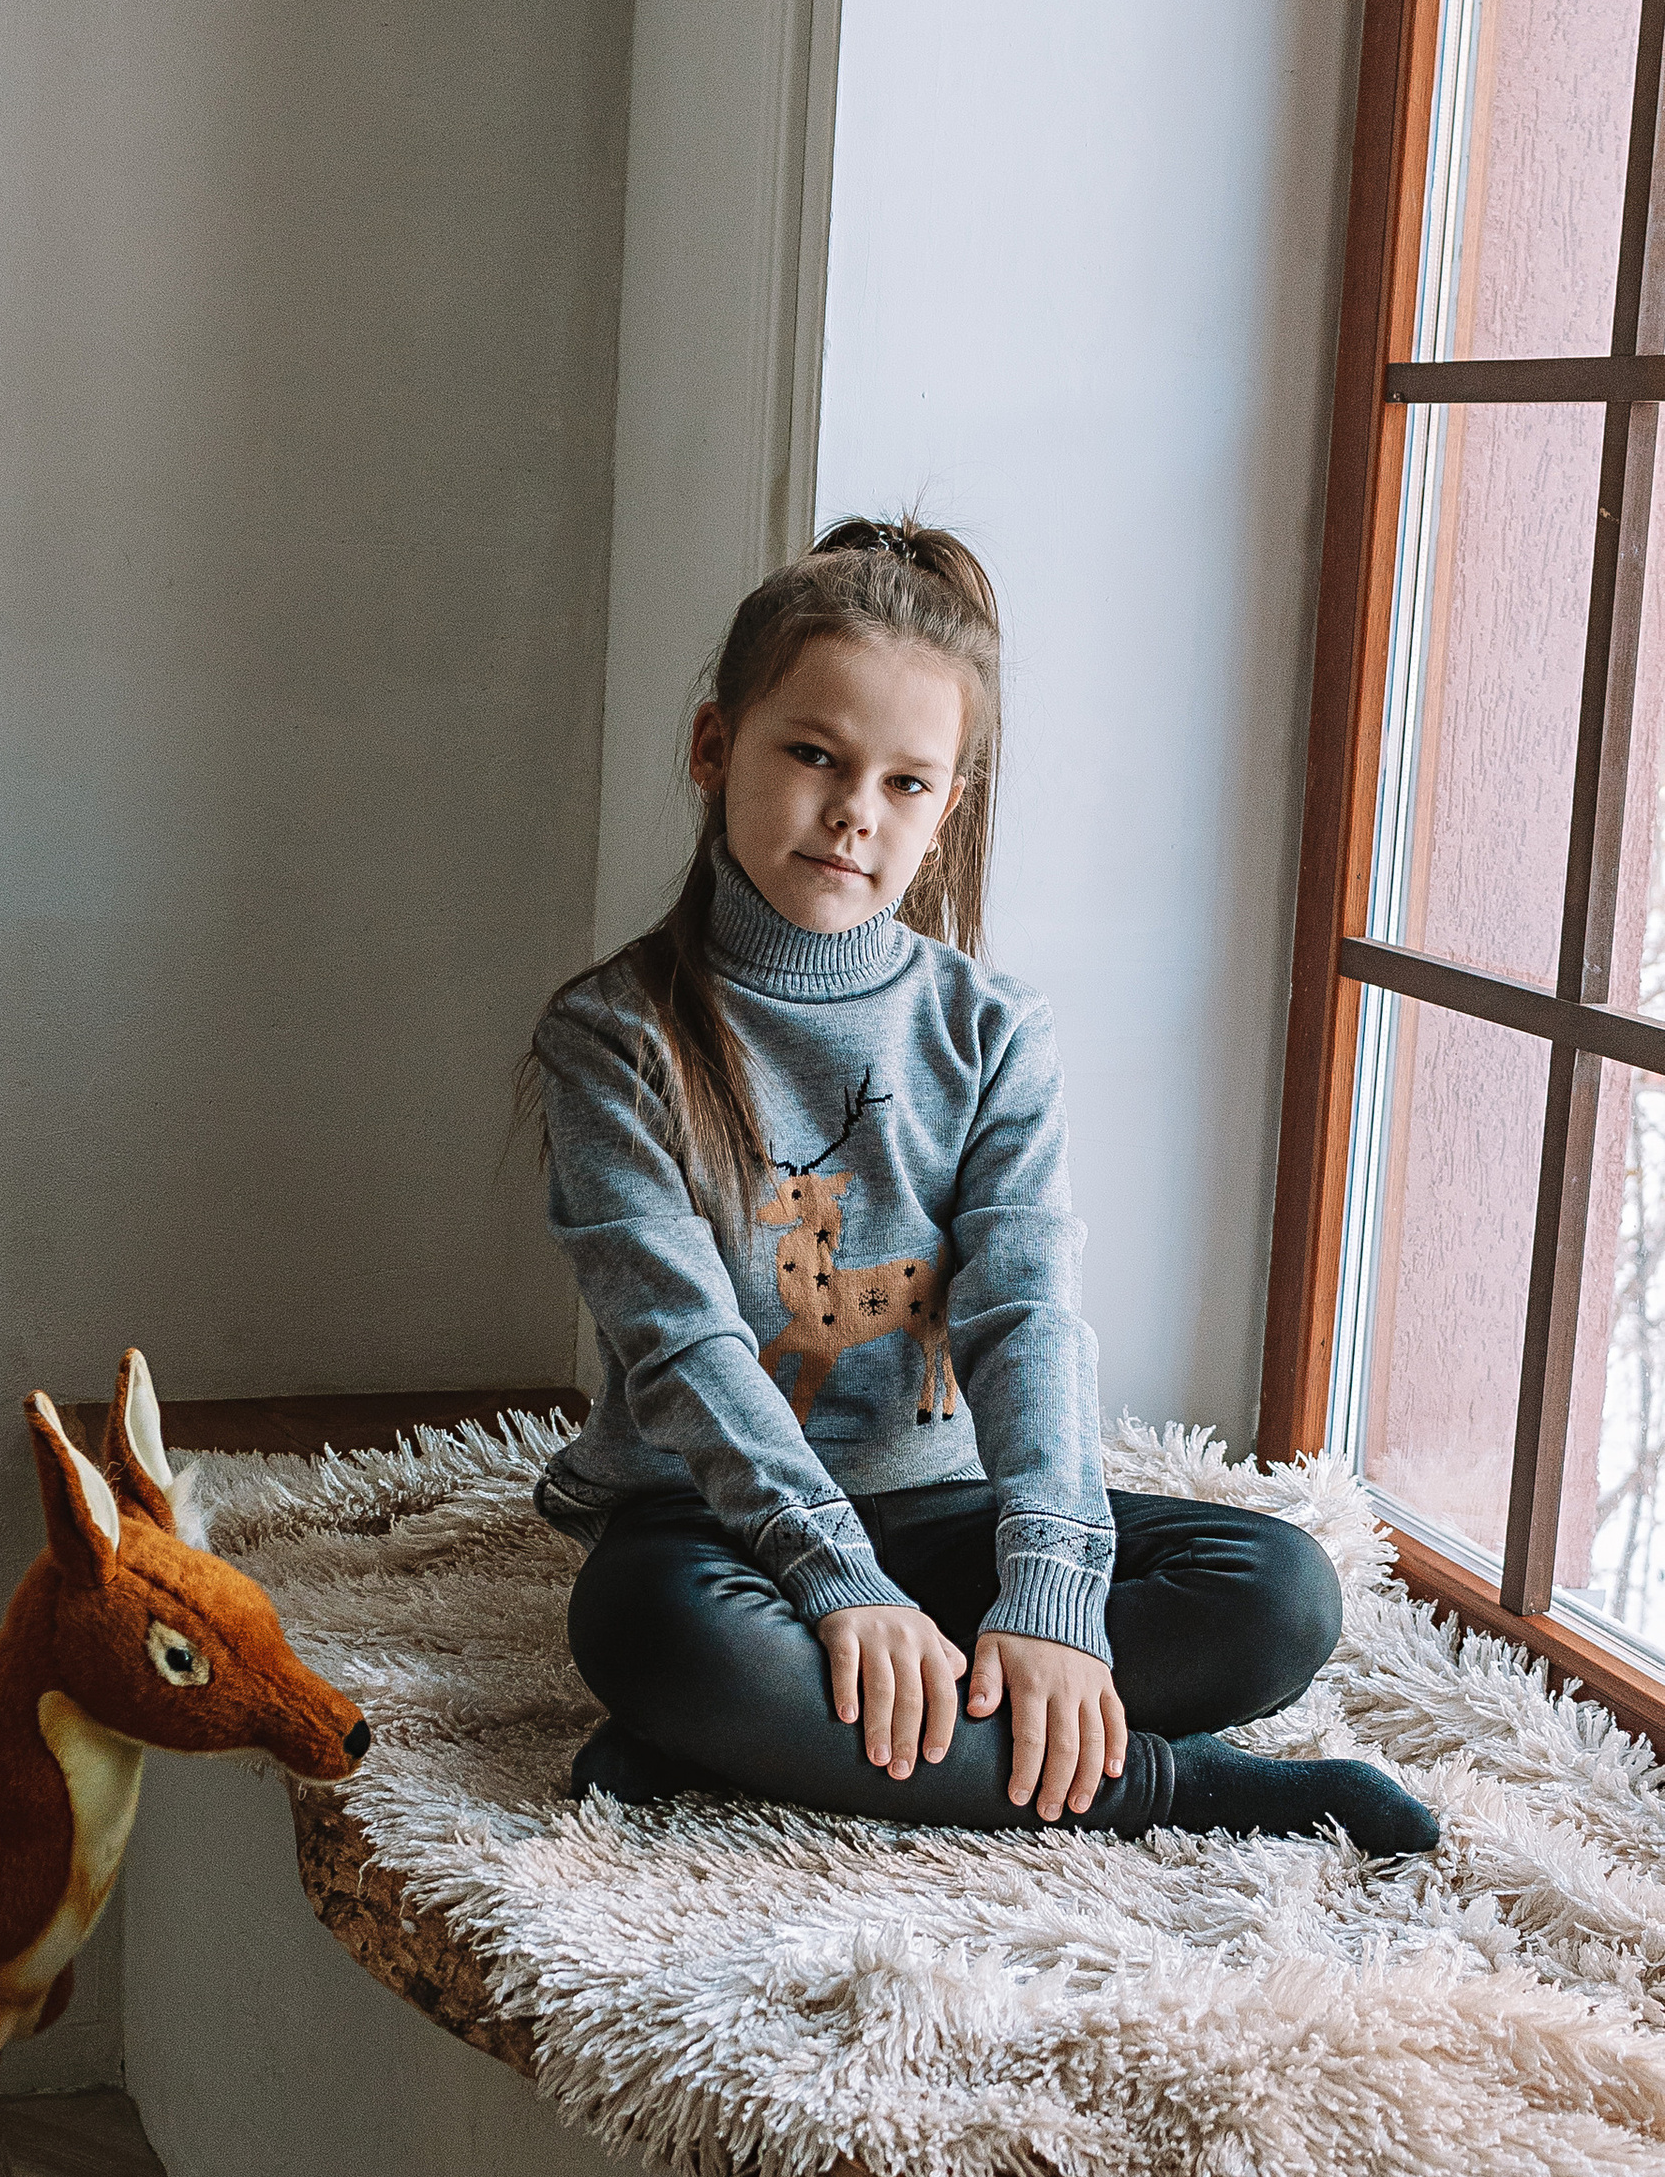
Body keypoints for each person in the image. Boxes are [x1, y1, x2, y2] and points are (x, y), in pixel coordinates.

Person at [527, 517, 1436, 1855]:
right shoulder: (613, 1038)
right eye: (814, 756)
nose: (854, 810)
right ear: (716, 749)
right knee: (651, 1636)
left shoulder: (991, 1031)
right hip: (716, 1525)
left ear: (945, 813)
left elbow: (1026, 1310)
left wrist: (1053, 1592)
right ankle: (1178, 1787)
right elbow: (683, 1351)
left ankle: (782, 1737)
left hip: (946, 1511)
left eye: (906, 784)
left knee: (1280, 1594)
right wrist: (838, 1583)